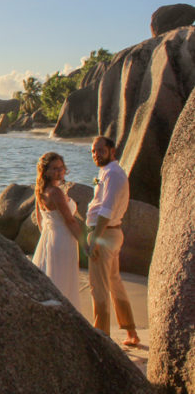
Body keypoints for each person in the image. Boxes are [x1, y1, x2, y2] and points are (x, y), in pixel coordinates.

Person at [86, 136, 140, 346]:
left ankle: (101, 338)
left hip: (105, 233)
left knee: (98, 286)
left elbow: (106, 210)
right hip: (110, 233)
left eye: (100, 150)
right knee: (115, 283)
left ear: (112, 151)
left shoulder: (114, 175)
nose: (95, 154)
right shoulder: (106, 173)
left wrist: (95, 239)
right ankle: (131, 333)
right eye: (93, 151)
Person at [31, 152, 82, 308]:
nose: (59, 172)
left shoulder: (40, 190)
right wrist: (86, 243)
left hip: (49, 238)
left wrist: (46, 238)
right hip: (63, 240)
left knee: (51, 278)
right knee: (63, 281)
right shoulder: (55, 192)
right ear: (45, 171)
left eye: (61, 168)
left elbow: (41, 220)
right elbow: (70, 220)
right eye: (54, 168)